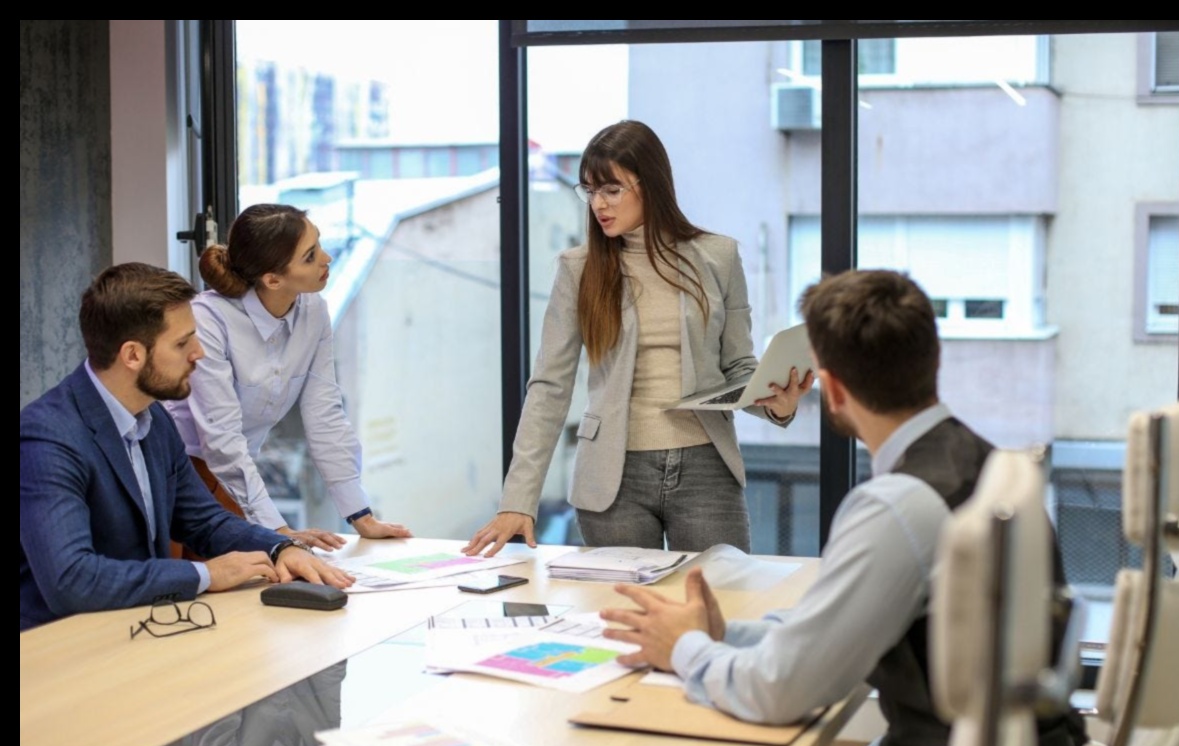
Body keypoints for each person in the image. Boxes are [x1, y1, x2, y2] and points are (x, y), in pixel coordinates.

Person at [599, 269, 1086, 746]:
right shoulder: (989, 464)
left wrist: (683, 650)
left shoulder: (897, 507)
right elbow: (831, 633)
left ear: (830, 390)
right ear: (932, 360)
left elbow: (781, 691)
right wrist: (722, 634)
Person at [464, 120, 813, 558]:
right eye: (589, 191)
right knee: (627, 617)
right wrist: (518, 499)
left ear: (649, 185)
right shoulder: (578, 268)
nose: (598, 204)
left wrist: (777, 405)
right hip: (613, 477)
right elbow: (550, 388)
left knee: (718, 605)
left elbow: (739, 367)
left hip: (706, 465)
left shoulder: (718, 256)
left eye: (611, 190)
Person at [19, 262, 353, 631]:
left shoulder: (153, 418)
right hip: (55, 651)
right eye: (182, 343)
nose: (198, 353)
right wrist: (203, 575)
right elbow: (71, 581)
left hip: (135, 630)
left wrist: (280, 548)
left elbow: (204, 521)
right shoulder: (47, 438)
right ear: (132, 355)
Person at [166, 203, 411, 552]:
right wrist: (279, 531)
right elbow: (221, 441)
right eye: (310, 256)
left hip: (236, 476)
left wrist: (361, 515)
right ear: (272, 279)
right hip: (182, 476)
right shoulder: (209, 320)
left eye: (320, 245)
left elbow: (325, 412)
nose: (326, 258)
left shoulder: (313, 310)